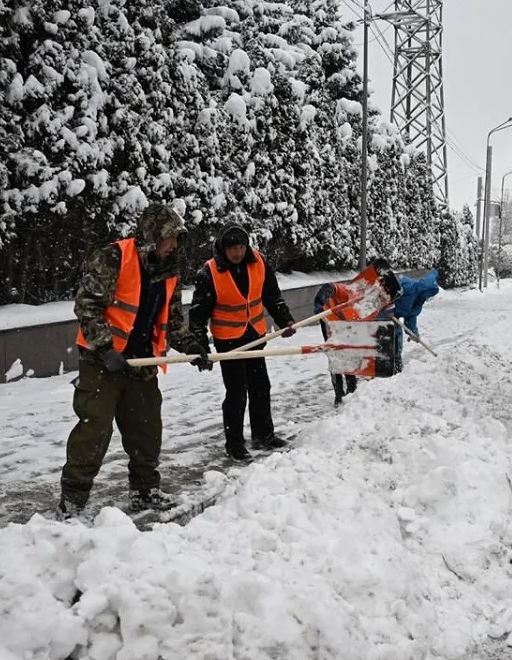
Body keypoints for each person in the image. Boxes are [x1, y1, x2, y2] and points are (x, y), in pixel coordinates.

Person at [57, 203, 213, 521]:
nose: (173, 246)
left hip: (142, 363)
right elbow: (87, 305)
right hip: (103, 363)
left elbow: (172, 320)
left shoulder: (170, 271)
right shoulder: (115, 257)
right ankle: (72, 500)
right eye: (170, 238)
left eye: (177, 240)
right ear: (153, 235)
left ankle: (144, 492)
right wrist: (105, 349)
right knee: (94, 429)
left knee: (146, 430)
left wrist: (193, 346)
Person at [189, 222, 296, 461]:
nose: (237, 252)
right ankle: (234, 443)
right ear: (222, 248)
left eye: (241, 247)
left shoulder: (258, 262)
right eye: (232, 248)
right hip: (229, 342)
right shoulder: (209, 273)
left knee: (261, 387)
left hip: (255, 335)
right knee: (237, 393)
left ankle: (263, 435)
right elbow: (197, 316)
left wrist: (285, 320)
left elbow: (272, 296)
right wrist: (201, 348)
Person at [378, 269, 440, 371]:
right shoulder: (406, 286)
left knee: (397, 339)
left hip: (393, 317)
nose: (427, 297)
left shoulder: (418, 303)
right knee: (386, 338)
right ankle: (380, 366)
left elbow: (410, 317)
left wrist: (413, 332)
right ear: (423, 289)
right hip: (380, 313)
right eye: (428, 293)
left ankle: (396, 363)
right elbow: (383, 291)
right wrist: (387, 308)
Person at [313, 281, 359, 406]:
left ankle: (352, 390)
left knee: (348, 355)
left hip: (343, 325)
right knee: (334, 357)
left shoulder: (358, 307)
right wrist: (319, 303)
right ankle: (338, 394)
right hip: (327, 320)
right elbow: (329, 287)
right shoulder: (345, 290)